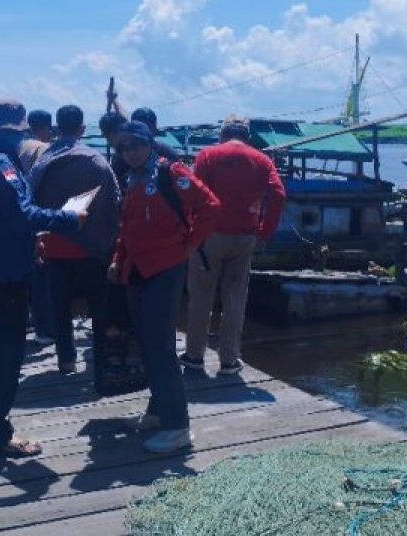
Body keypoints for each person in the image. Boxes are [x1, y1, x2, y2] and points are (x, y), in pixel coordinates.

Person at [0, 99, 87, 458]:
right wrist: (67, 218)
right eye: (22, 132)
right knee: (4, 356)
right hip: (1, 275)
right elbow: (23, 213)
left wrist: (30, 238)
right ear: (12, 131)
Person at [108, 121, 219, 453]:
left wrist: (190, 244)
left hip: (165, 269)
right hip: (137, 270)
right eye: (123, 148)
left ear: (149, 143)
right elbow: (127, 228)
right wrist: (118, 259)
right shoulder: (130, 180)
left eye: (135, 145)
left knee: (161, 349)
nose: (129, 153)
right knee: (147, 345)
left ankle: (178, 427)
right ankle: (159, 412)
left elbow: (209, 206)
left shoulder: (171, 173)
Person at [182, 115, 285, 375]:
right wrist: (264, 232)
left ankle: (194, 356)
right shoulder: (262, 160)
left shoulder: (207, 155)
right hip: (245, 237)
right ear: (247, 137)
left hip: (209, 236)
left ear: (222, 134)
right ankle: (229, 360)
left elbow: (195, 194)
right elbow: (279, 194)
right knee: (235, 299)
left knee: (201, 296)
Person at [28, 105, 121, 374]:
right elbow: (114, 202)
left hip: (55, 245)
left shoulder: (44, 160)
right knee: (98, 305)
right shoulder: (96, 160)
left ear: (57, 127)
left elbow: (27, 201)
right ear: (81, 128)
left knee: (60, 306)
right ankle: (104, 358)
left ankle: (66, 359)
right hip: (92, 247)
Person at [18, 109, 55, 345]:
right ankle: (44, 330)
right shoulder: (43, 148)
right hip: (37, 216)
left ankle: (20, 323)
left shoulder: (16, 146)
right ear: (47, 128)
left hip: (14, 216)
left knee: (20, 274)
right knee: (42, 275)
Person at [18, 109, 52, 174]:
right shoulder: (43, 147)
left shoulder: (18, 144)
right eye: (49, 129)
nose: (50, 133)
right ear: (45, 128)